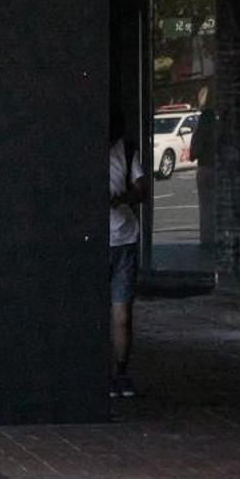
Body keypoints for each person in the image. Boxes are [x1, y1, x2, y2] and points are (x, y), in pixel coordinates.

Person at [109, 121, 148, 399]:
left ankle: (120, 372)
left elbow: (141, 188)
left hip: (123, 239)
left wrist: (120, 198)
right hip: (103, 240)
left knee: (122, 315)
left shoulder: (127, 150)